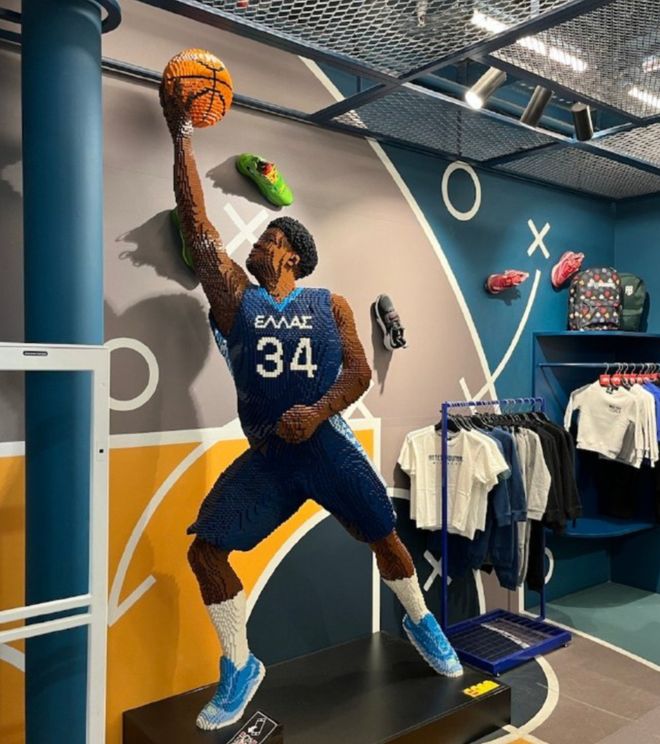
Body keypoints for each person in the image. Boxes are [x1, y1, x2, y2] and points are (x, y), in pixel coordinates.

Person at [160, 83, 463, 732]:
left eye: (266, 239)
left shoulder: (330, 304)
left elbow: (359, 372)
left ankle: (421, 621)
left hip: (326, 447)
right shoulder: (236, 300)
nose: (254, 246)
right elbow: (198, 228)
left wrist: (319, 411)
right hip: (271, 458)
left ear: (290, 255)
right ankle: (240, 663)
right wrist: (181, 134)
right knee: (205, 551)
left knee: (385, 538)